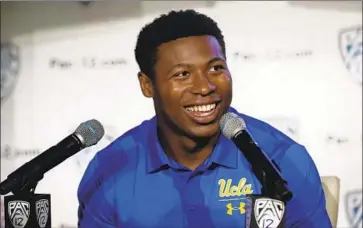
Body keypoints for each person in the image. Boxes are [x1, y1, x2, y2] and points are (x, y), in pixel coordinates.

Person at [77, 9, 332, 228]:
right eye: (183, 74)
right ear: (147, 85)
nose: (205, 87)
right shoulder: (110, 169)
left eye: (216, 68)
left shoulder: (282, 161)